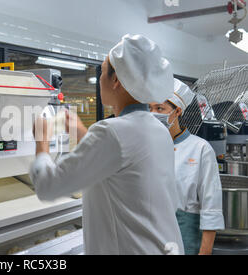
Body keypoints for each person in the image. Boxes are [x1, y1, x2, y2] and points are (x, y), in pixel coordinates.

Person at [30, 34, 184, 255]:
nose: (100, 79)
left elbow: (48, 187)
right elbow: (118, 161)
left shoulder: (112, 132)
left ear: (116, 81)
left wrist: (41, 141)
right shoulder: (158, 129)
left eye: (102, 72)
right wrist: (81, 131)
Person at [149, 79, 225, 255]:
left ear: (177, 111)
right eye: (150, 108)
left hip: (185, 236)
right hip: (150, 235)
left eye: (160, 109)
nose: (153, 114)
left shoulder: (201, 149)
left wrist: (205, 252)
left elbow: (211, 207)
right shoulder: (147, 146)